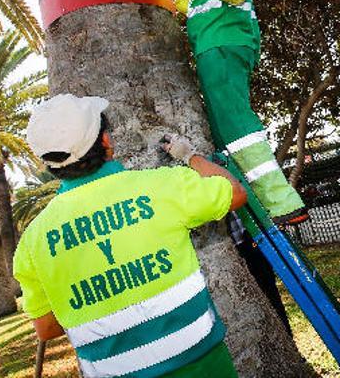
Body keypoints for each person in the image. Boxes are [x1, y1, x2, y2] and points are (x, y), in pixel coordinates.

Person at [13, 94, 247, 378]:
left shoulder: (32, 243)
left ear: (49, 163)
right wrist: (190, 156)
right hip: (203, 365)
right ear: (106, 142)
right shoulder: (161, 186)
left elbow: (47, 328)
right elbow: (234, 192)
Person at [152, 0, 308, 226]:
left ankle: (283, 202)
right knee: (223, 129)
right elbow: (195, 6)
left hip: (223, 43)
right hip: (213, 46)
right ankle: (254, 204)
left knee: (235, 121)